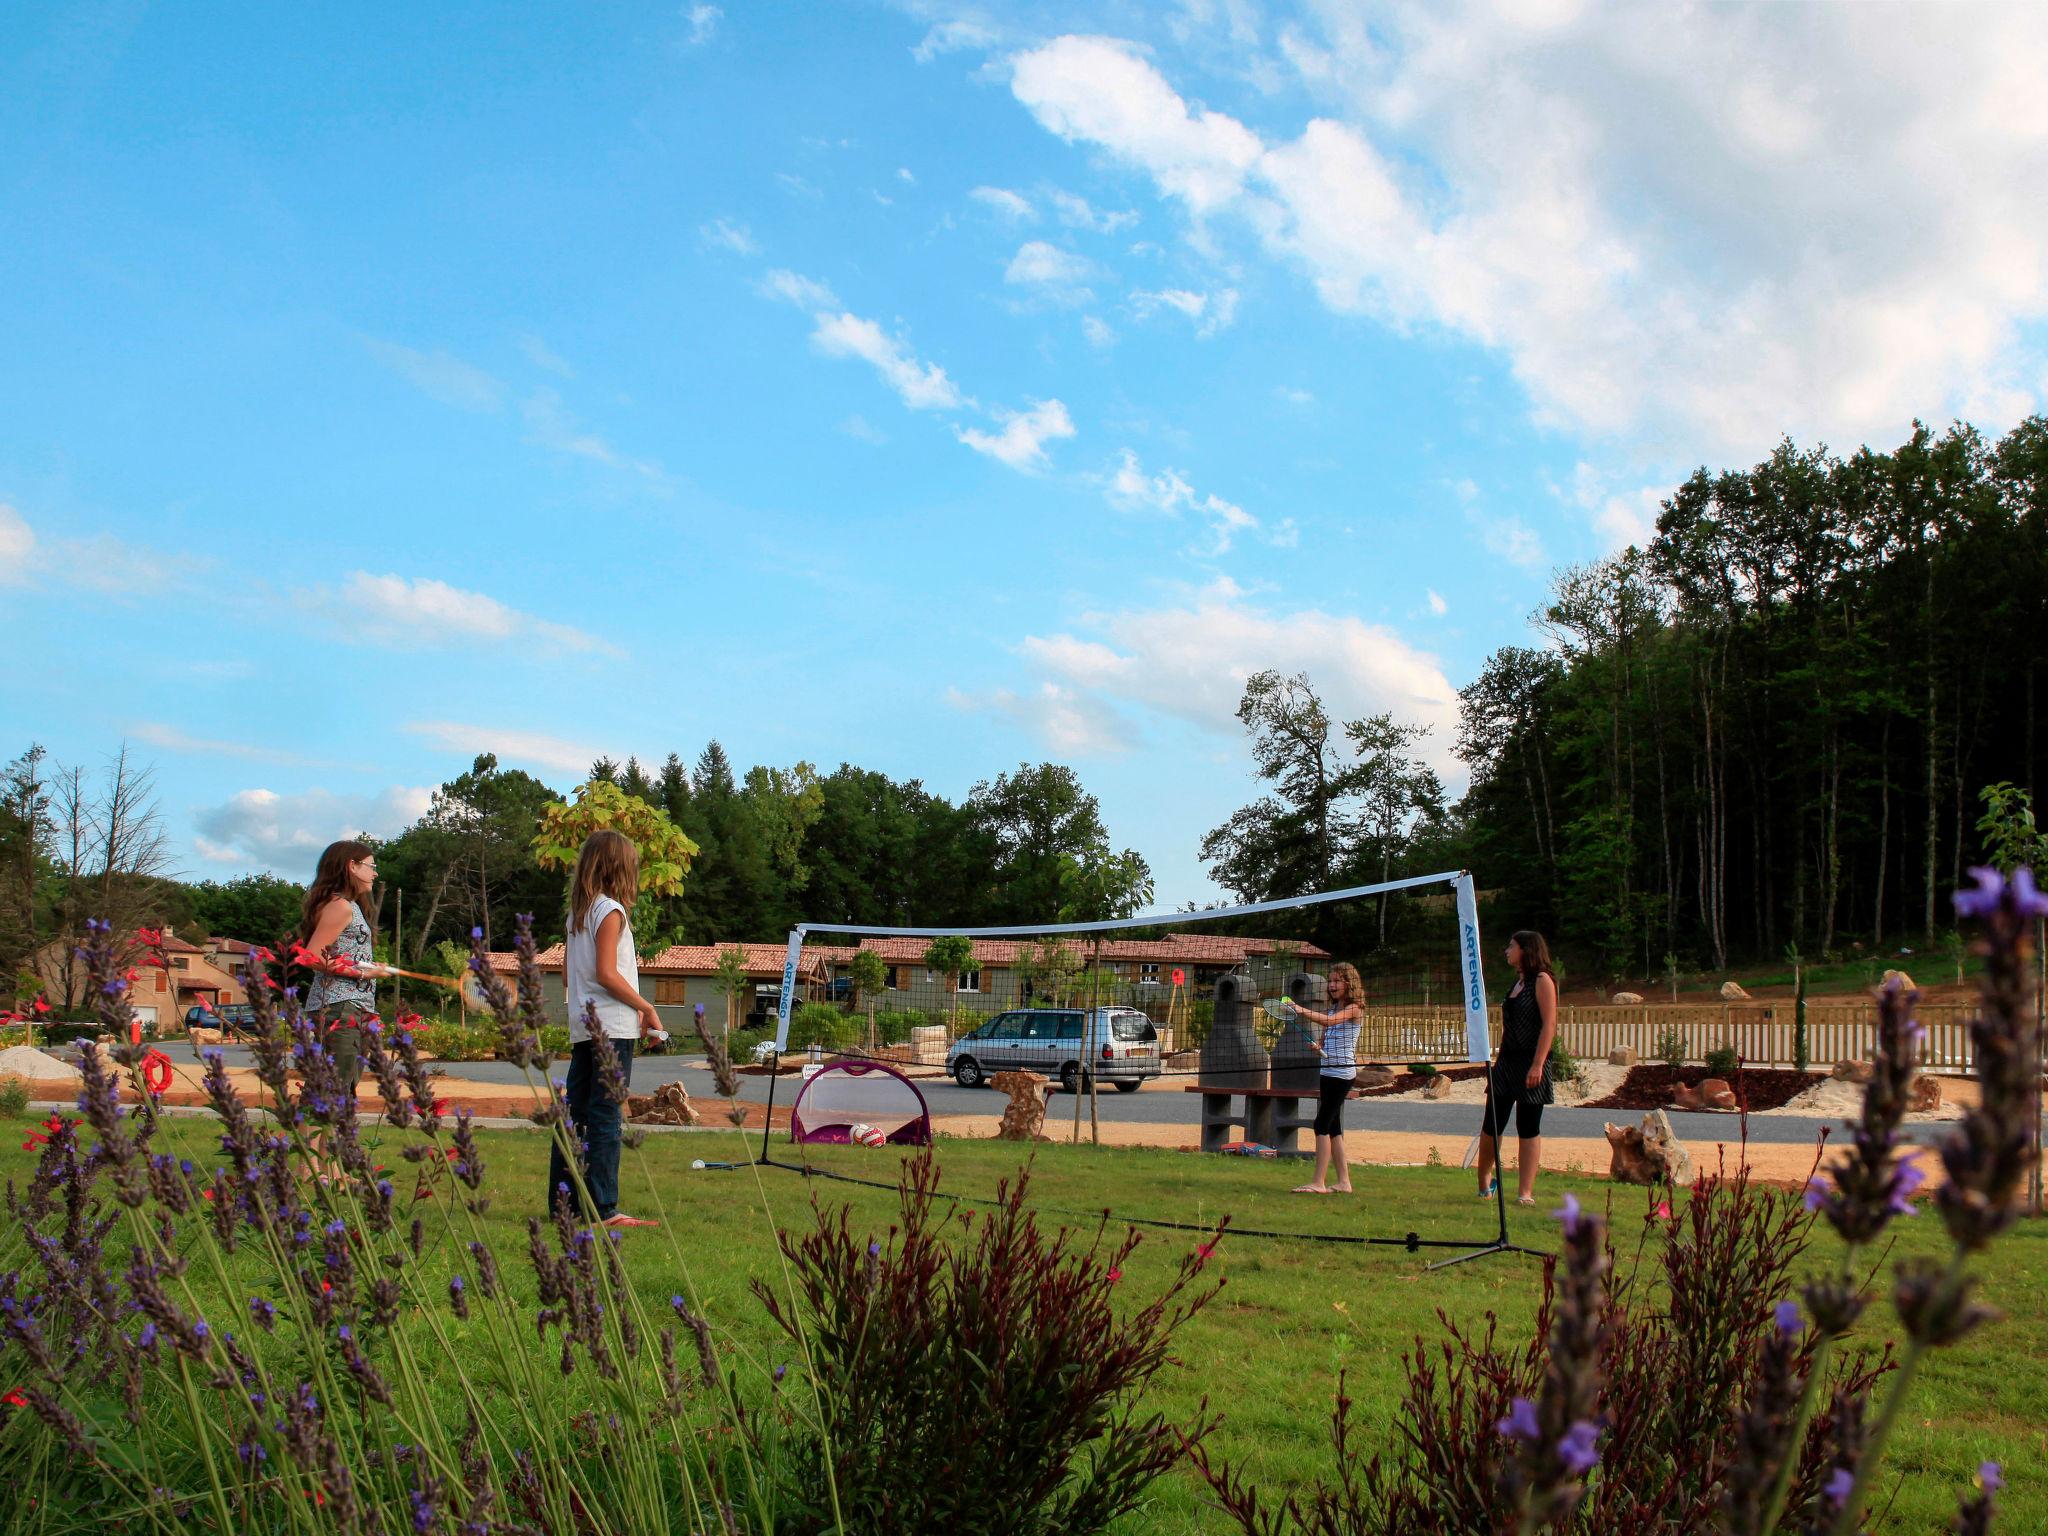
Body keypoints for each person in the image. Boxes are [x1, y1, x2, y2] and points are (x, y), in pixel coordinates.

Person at [547, 829, 663, 1230]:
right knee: (605, 1115)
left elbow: (567, 977)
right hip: (611, 1027)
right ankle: (604, 1210)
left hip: (583, 1025)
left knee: (575, 1114)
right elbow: (607, 973)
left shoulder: (578, 914)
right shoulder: (611, 911)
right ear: (619, 867)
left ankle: (565, 1206)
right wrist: (646, 1007)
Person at [299, 840, 395, 1104]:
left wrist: (365, 967)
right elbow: (311, 956)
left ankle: (323, 1145)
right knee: (333, 1090)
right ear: (352, 866)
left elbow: (340, 954)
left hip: (349, 1005)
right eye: (371, 866)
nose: (375, 873)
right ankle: (321, 1145)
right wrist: (362, 973)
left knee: (330, 1087)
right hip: (339, 1006)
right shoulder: (340, 906)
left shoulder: (346, 905)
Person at [1475, 930, 1558, 1207]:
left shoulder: (1542, 980)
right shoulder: (1516, 984)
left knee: (1528, 1126)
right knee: (1492, 1123)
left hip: (1531, 1062)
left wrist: (1537, 1064)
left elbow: (1549, 1025)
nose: (1506, 950)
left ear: (1526, 949)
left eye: (1511, 946)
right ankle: (1484, 1180)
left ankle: (1525, 1193)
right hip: (1507, 1063)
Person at [1287, 962, 1364, 1194]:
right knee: (1333, 1128)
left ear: (1349, 983)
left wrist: (1299, 1009)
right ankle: (1344, 1182)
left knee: (1321, 1124)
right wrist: (1318, 1046)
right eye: (1330, 981)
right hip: (1327, 1071)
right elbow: (1326, 1034)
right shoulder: (1332, 1009)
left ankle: (1318, 1182)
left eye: (1337, 981)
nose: (1332, 985)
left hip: (1342, 1074)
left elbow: (1330, 1022)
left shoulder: (1354, 1008)